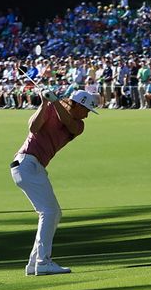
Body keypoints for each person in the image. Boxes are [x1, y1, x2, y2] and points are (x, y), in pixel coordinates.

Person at [9, 87, 98, 276]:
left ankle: (35, 263)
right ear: (77, 104)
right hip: (26, 164)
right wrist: (44, 103)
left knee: (53, 213)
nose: (87, 115)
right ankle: (42, 262)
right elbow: (33, 127)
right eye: (87, 110)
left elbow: (69, 123)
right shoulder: (49, 108)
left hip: (35, 167)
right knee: (49, 212)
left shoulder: (78, 125)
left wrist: (55, 102)